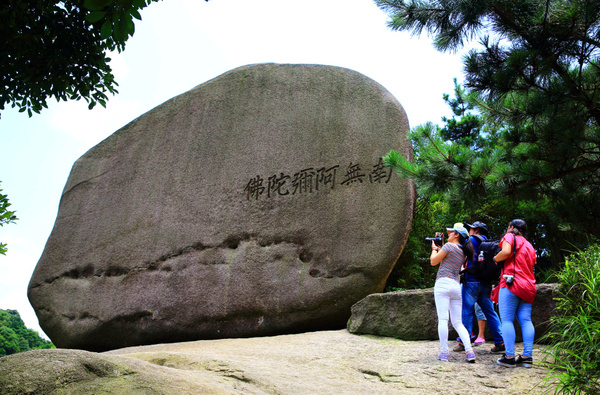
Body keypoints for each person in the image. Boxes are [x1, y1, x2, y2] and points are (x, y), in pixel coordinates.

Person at [453, 221, 505, 354]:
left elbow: (456, 249)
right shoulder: (489, 244)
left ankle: (463, 341)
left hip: (471, 282)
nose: (469, 230)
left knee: (467, 311)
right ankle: (500, 341)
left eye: (471, 228)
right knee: (490, 312)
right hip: (486, 283)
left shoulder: (472, 240)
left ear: (477, 230)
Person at [493, 219, 537, 367]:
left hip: (512, 283)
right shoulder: (529, 245)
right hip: (528, 286)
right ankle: (527, 356)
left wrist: (495, 258)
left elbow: (505, 252)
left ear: (511, 227)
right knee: (525, 320)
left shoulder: (509, 237)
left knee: (506, 319)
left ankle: (510, 356)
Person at [430, 223, 476, 363]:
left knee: (443, 319)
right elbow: (448, 255)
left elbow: (433, 261)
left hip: (443, 284)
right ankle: (469, 351)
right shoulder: (463, 252)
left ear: (457, 235)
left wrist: (433, 249)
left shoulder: (449, 247)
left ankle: (444, 353)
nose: (449, 234)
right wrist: (441, 247)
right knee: (458, 322)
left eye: (451, 232)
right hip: (456, 286)